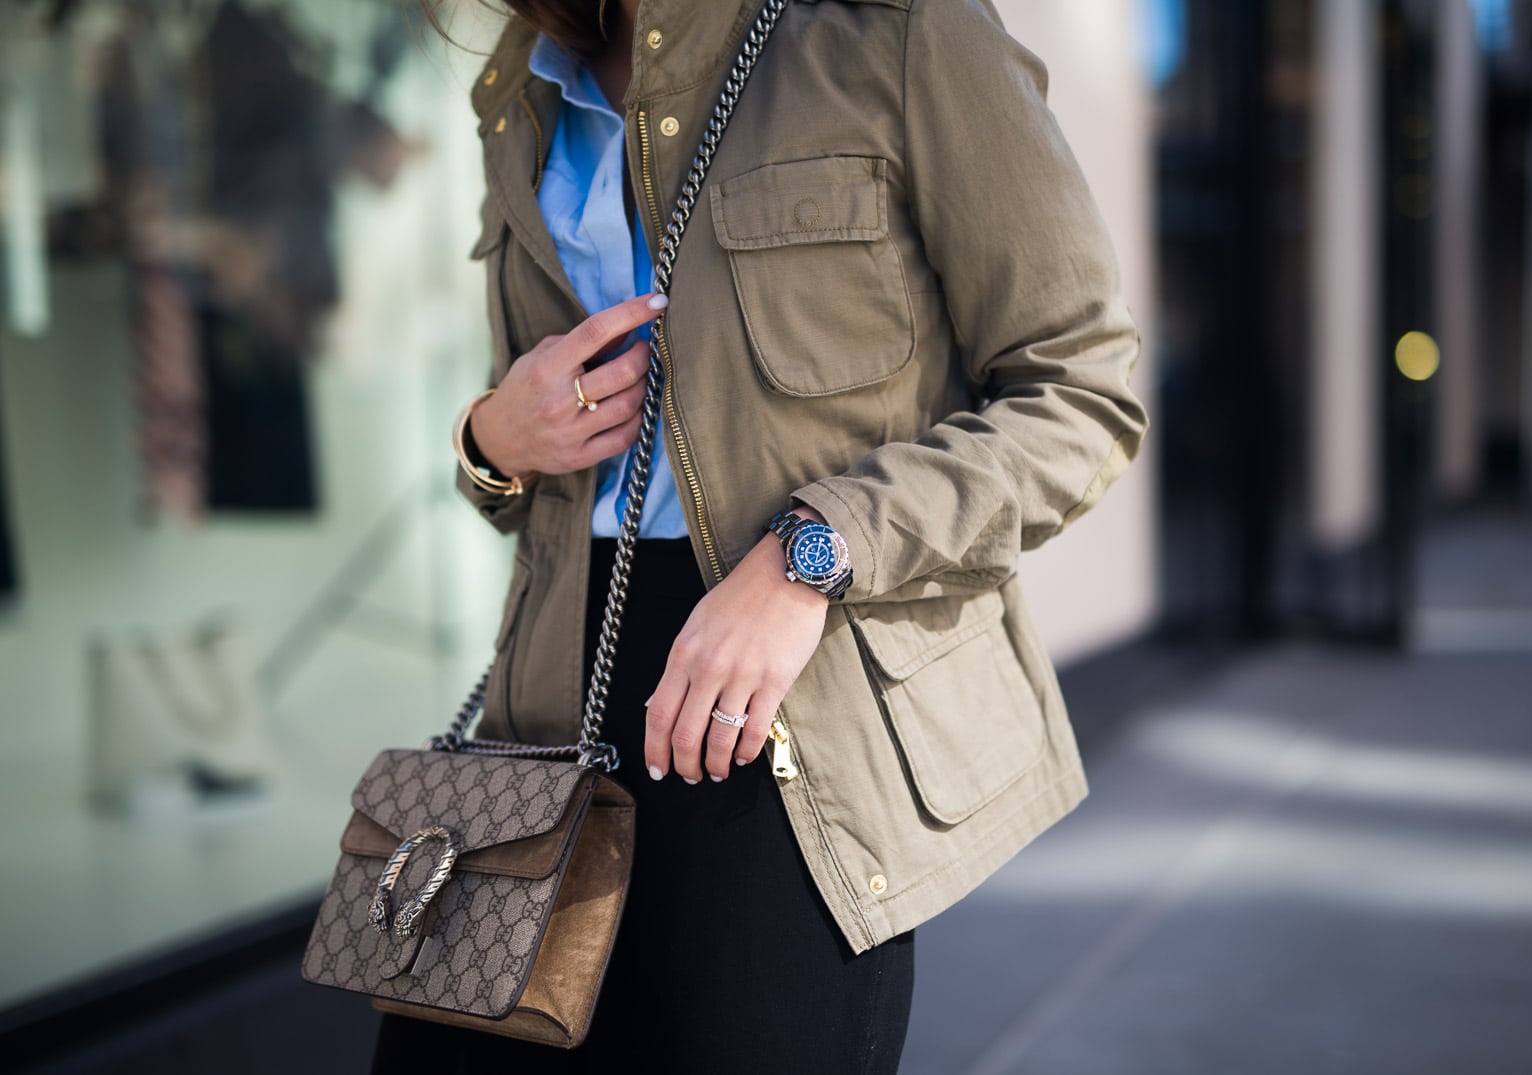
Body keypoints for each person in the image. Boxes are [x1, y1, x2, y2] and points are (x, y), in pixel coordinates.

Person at [374, 0, 1148, 1069]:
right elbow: (530, 462)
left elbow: (1079, 398)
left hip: (790, 707)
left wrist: (809, 556)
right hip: (552, 699)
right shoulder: (524, 74)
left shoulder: (894, 29)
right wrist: (492, 435)